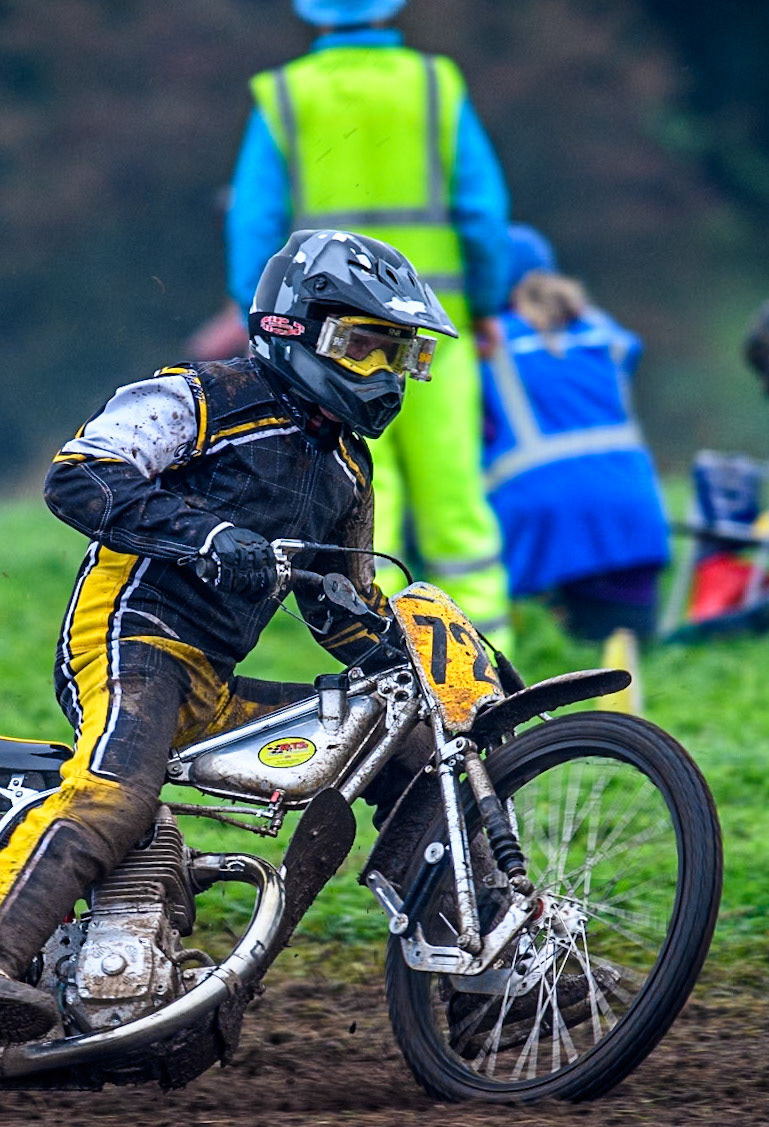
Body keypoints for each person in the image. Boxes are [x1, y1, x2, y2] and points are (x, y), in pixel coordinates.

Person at [0, 231, 455, 1041]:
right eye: (363, 347)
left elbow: (341, 610)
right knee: (118, 798)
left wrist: (435, 669)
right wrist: (205, 537)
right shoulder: (202, 395)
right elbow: (80, 476)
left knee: (400, 744)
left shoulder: (346, 471)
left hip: (213, 684)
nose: (384, 374)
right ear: (293, 327)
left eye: (398, 355)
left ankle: (475, 976)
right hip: (133, 639)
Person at [226, 0, 513, 644]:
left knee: (362, 504)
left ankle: (383, 670)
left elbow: (253, 226)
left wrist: (266, 326)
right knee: (457, 509)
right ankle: (486, 672)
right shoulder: (436, 85)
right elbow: (484, 215)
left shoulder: (285, 95)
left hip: (328, 345)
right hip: (435, 336)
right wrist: (488, 306)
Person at [480, 225, 670, 640]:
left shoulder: (488, 346)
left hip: (541, 520)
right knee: (632, 655)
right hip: (631, 506)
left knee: (549, 668)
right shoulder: (604, 333)